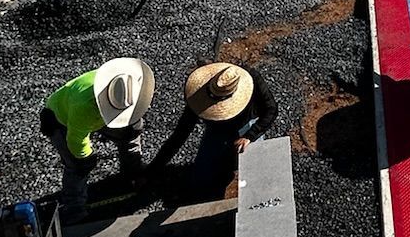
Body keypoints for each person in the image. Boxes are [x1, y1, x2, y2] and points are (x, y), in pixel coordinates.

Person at [41, 57, 156, 217]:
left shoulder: (124, 83)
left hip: (98, 114)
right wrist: (87, 157)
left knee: (130, 134)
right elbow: (76, 140)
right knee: (77, 166)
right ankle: (74, 209)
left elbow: (127, 101)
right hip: (61, 120)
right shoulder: (84, 107)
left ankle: (133, 173)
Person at [149, 60, 279, 187]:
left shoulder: (253, 78)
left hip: (246, 127)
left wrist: (250, 136)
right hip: (217, 131)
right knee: (200, 181)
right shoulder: (198, 97)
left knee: (254, 177)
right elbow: (181, 133)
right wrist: (154, 167)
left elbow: (271, 109)